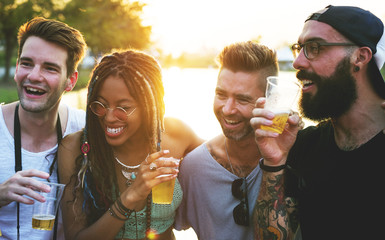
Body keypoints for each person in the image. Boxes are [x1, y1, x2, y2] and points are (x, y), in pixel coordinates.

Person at [250, 5, 385, 240]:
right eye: (299, 49)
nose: (297, 62)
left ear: (360, 57)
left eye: (314, 48)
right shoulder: (303, 145)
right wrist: (274, 161)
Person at [57, 49, 203, 240]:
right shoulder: (75, 149)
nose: (109, 118)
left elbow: (222, 163)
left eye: (123, 108)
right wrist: (132, 195)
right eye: (100, 105)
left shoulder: (176, 134)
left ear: (149, 106)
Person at [174, 41, 279, 239]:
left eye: (242, 99)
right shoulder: (192, 167)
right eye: (221, 95)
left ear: (270, 101)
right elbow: (160, 229)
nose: (228, 109)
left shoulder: (295, 158)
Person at [0, 17, 87, 240]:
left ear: (71, 81)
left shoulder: (87, 129)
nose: (34, 76)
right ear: (17, 66)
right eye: (27, 63)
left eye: (50, 68)